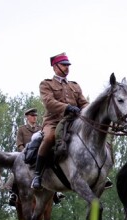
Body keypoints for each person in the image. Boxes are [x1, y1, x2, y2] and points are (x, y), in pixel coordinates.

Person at [31, 52, 89, 189]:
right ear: (55, 66)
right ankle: (37, 175)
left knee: (90, 136)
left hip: (74, 121)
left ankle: (97, 173)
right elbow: (49, 102)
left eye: (68, 65)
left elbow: (84, 102)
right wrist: (67, 107)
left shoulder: (74, 86)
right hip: (53, 121)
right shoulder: (46, 84)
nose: (67, 68)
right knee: (49, 138)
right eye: (64, 65)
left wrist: (88, 111)